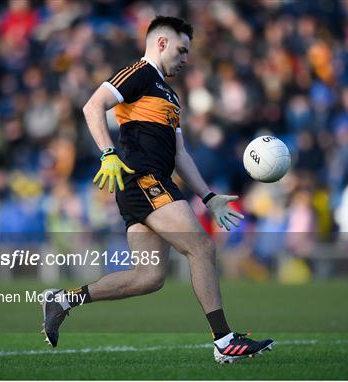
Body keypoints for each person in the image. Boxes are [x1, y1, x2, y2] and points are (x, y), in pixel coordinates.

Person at [39, 16, 274, 364]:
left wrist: (208, 197)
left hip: (150, 183)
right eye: (181, 50)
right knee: (201, 247)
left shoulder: (170, 95)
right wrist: (108, 154)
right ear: (161, 43)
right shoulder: (140, 72)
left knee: (149, 277)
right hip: (145, 179)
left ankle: (63, 300)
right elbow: (92, 106)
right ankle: (224, 341)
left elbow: (180, 155)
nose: (185, 59)